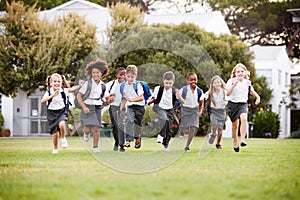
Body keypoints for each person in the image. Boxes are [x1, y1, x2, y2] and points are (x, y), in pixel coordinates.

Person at [226, 63, 260, 152]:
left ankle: (242, 140)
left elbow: (251, 91)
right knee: (235, 125)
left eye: (242, 71)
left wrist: (258, 97)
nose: (240, 73)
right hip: (232, 104)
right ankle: (235, 140)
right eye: (238, 72)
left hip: (242, 104)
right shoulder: (231, 81)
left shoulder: (247, 82)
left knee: (244, 119)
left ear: (245, 73)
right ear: (235, 73)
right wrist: (234, 84)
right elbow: (227, 93)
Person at [77, 59, 109, 153]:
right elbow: (79, 96)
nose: (95, 74)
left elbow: (106, 97)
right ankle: (86, 134)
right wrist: (84, 107)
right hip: (87, 106)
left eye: (97, 73)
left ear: (101, 73)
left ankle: (95, 147)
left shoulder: (103, 85)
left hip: (97, 107)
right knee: (87, 129)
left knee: (96, 128)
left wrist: (109, 100)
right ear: (91, 73)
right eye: (93, 73)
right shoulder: (87, 83)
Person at [148, 71, 185, 152]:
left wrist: (179, 96)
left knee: (169, 129)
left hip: (170, 109)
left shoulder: (175, 91)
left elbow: (183, 102)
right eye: (166, 83)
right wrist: (149, 102)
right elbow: (153, 98)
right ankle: (161, 135)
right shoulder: (158, 89)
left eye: (170, 83)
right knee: (164, 118)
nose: (168, 85)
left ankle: (166, 144)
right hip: (159, 107)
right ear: (163, 81)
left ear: (173, 82)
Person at [41, 73, 69, 154]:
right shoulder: (49, 92)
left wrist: (80, 86)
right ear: (51, 83)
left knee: (62, 124)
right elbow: (42, 101)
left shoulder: (63, 90)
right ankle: (55, 148)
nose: (57, 83)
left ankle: (63, 138)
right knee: (55, 133)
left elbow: (72, 89)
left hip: (61, 111)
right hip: (51, 113)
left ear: (61, 83)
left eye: (58, 81)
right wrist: (52, 95)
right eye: (55, 81)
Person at [119, 65, 144, 149]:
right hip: (130, 107)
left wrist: (132, 100)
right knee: (129, 120)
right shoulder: (123, 86)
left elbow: (141, 97)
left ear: (135, 76)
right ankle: (128, 140)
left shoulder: (138, 85)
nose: (130, 79)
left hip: (140, 107)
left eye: (132, 77)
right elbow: (124, 99)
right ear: (125, 75)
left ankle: (137, 138)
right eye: (128, 77)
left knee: (138, 125)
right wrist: (120, 109)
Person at [179, 72, 204, 152]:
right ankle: (183, 131)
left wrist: (200, 112)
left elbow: (202, 103)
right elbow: (178, 99)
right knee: (186, 129)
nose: (193, 82)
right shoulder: (183, 90)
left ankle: (187, 146)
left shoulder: (199, 91)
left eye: (195, 80)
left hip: (194, 110)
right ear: (187, 81)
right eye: (191, 80)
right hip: (185, 110)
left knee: (193, 128)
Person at [105, 67, 126, 152]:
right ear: (117, 75)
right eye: (121, 74)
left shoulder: (127, 84)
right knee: (115, 125)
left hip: (123, 106)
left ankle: (121, 145)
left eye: (124, 74)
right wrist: (109, 97)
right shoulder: (111, 84)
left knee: (121, 124)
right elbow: (105, 93)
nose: (123, 76)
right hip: (113, 106)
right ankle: (117, 142)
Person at [205, 75, 228, 149]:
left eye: (218, 82)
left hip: (222, 111)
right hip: (214, 111)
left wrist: (225, 102)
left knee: (220, 131)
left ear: (221, 83)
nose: (217, 84)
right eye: (215, 83)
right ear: (212, 84)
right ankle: (213, 134)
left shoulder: (224, 91)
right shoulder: (210, 92)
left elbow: (228, 99)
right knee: (214, 124)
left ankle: (218, 143)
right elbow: (203, 97)